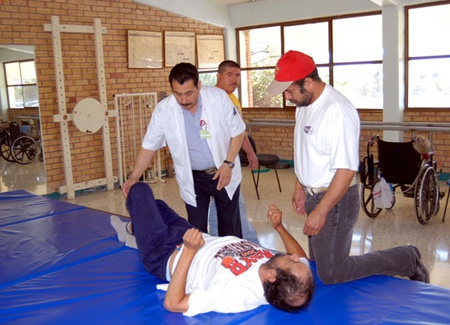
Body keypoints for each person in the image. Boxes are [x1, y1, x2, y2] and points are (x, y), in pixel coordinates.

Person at [266, 50, 429, 285]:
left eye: (289, 90)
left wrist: (321, 211)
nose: (287, 97)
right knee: (321, 263)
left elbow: (346, 170)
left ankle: (406, 257)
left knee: (332, 272)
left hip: (335, 199)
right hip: (315, 194)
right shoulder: (304, 105)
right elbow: (307, 150)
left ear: (308, 83)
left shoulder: (337, 111)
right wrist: (300, 185)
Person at [111, 182, 314, 316]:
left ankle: (134, 230)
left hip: (164, 253)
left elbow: (173, 304)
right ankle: (135, 227)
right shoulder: (282, 276)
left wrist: (190, 251)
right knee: (157, 205)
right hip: (193, 236)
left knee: (140, 191)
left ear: (272, 276)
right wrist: (279, 227)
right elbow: (304, 259)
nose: (295, 256)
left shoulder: (237, 293)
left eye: (291, 261)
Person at [122, 62, 245, 238]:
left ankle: (232, 262)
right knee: (196, 231)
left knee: (230, 227)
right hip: (193, 178)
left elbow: (238, 132)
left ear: (199, 86)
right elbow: (149, 146)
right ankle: (200, 263)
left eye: (189, 93)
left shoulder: (218, 98)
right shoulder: (164, 110)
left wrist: (228, 163)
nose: (184, 100)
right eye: (177, 94)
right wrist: (134, 177)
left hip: (224, 171)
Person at [208, 60, 260, 244]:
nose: (234, 79)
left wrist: (250, 153)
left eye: (237, 75)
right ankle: (253, 245)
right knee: (232, 206)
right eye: (229, 75)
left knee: (224, 206)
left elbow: (239, 131)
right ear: (219, 76)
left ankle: (219, 242)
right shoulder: (212, 98)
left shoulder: (233, 99)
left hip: (231, 163)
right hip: (217, 164)